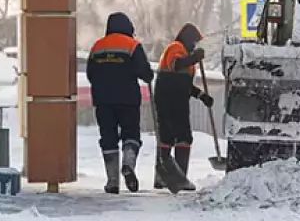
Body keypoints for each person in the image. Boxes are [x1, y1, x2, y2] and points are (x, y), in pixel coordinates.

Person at [86, 12, 154, 194]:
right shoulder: (132, 45)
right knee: (131, 134)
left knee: (108, 137)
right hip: (128, 99)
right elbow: (145, 72)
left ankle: (112, 182)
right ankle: (128, 164)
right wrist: (148, 75)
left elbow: (90, 74)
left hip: (103, 100)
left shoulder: (97, 46)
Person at [153, 23, 213, 191]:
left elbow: (184, 84)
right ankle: (178, 178)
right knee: (183, 137)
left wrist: (201, 95)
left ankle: (163, 177)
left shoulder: (184, 54)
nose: (194, 45)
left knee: (167, 137)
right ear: (188, 39)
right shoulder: (175, 48)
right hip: (171, 99)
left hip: (171, 97)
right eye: (194, 42)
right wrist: (194, 58)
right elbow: (176, 65)